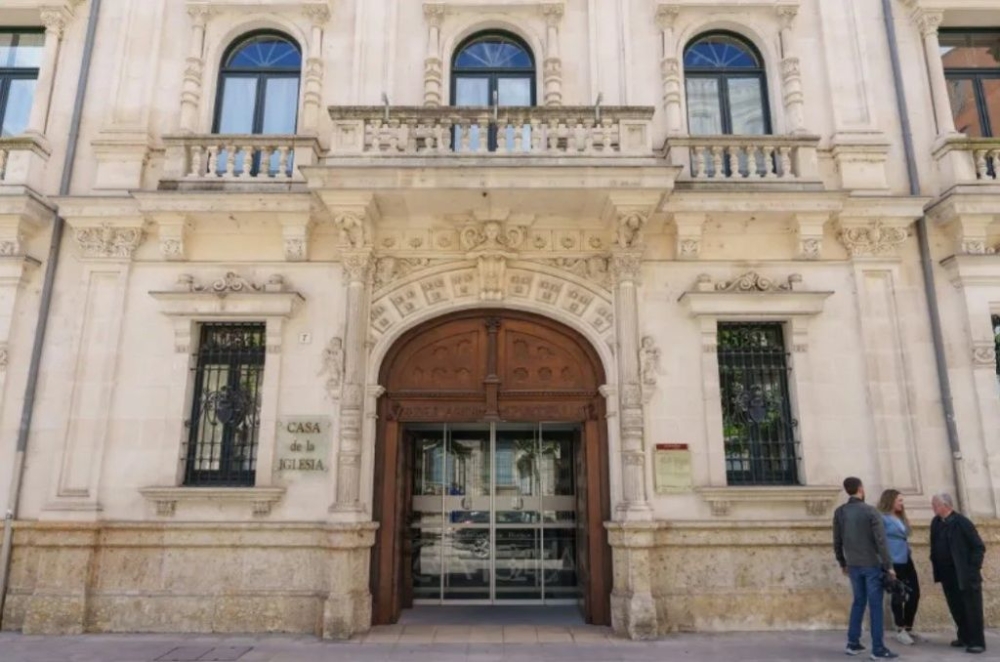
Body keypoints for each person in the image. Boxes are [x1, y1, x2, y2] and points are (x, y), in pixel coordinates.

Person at [833, 477, 898, 659]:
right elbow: (881, 542)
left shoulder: (840, 512)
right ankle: (878, 649)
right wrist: (889, 566)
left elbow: (837, 541)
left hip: (853, 565)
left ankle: (853, 643)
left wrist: (842, 562)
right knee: (875, 606)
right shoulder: (871, 511)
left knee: (858, 602)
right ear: (861, 489)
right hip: (871, 564)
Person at [930, 493, 987, 655]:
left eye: (935, 504)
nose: (932, 507)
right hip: (948, 575)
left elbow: (978, 547)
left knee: (972, 608)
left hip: (965, 575)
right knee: (956, 607)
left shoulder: (962, 523)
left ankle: (977, 642)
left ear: (945, 506)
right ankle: (964, 637)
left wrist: (972, 569)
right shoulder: (936, 522)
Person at [877, 489, 921, 645]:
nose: (902, 503)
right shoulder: (882, 518)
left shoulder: (901, 517)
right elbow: (879, 542)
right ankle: (900, 629)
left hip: (906, 559)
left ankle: (909, 627)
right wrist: (886, 565)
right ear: (890, 501)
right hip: (893, 561)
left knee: (914, 593)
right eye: (899, 500)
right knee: (898, 596)